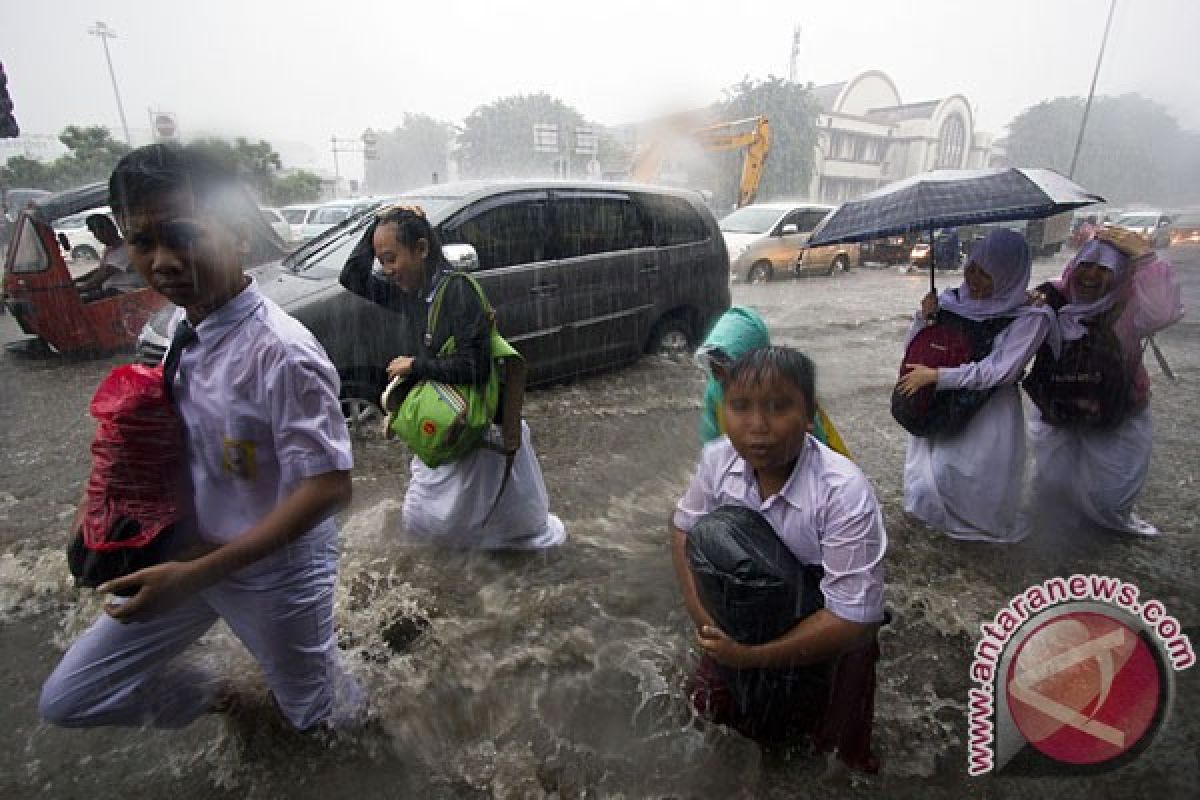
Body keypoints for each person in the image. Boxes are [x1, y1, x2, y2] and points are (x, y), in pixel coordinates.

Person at [39, 143, 364, 732]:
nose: (163, 261)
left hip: (274, 570)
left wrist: (197, 575)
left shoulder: (282, 353)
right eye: (142, 242)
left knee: (322, 721)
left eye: (183, 234)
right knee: (69, 699)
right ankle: (230, 694)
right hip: (183, 554)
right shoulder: (182, 334)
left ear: (239, 235)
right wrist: (102, 512)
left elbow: (330, 490)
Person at [671, 346, 887, 770]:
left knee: (839, 758)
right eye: (740, 407)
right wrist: (706, 622)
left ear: (809, 415)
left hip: (827, 622)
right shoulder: (719, 459)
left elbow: (854, 619)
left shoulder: (842, 491)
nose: (758, 427)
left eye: (778, 407)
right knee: (707, 712)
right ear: (722, 409)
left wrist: (752, 657)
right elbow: (683, 530)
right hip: (746, 617)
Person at [340, 205, 565, 550]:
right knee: (463, 528)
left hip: (472, 429)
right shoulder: (414, 295)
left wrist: (414, 366)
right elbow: (352, 276)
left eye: (391, 258)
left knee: (455, 529)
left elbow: (474, 368)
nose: (387, 271)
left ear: (421, 249)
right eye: (382, 260)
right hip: (450, 427)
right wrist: (378, 221)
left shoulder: (457, 292)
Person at [896, 228, 1055, 542]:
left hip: (988, 412)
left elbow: (1002, 371)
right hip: (939, 403)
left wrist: (939, 377)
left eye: (986, 274)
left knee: (969, 478)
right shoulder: (948, 301)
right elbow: (914, 349)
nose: (974, 280)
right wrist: (923, 318)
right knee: (929, 477)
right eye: (972, 268)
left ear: (1009, 275)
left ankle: (975, 535)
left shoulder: (1032, 317)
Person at [1025, 228, 1184, 536]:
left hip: (1117, 409)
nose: (1090, 276)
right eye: (1085, 265)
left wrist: (1145, 258)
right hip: (1057, 409)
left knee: (1109, 499)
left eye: (1104, 269)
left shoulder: (1130, 306)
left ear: (1120, 274)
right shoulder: (1051, 297)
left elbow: (1165, 311)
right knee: (1051, 492)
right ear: (1074, 265)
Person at [695, 305, 850, 456]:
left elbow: (816, 448)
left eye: (727, 368)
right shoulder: (715, 390)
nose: (719, 376)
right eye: (714, 368)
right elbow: (711, 441)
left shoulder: (786, 389)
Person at [72, 214, 144, 301]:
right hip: (110, 291)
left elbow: (98, 278)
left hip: (125, 294)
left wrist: (78, 289)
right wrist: (74, 281)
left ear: (113, 227)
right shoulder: (109, 250)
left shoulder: (125, 249)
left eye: (100, 230)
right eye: (95, 232)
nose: (98, 235)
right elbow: (99, 271)